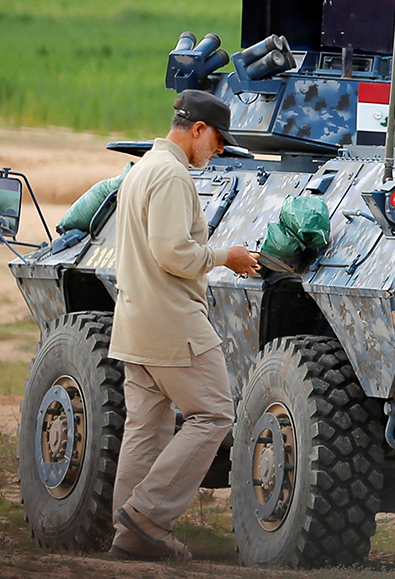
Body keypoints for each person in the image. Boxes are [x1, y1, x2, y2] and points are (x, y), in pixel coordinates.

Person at [107, 89, 260, 561]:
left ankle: (130, 537)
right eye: (215, 140)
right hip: (172, 322)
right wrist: (226, 257)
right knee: (215, 412)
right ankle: (148, 517)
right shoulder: (172, 176)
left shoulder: (140, 171)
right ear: (197, 130)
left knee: (146, 428)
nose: (217, 151)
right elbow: (173, 253)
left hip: (135, 321)